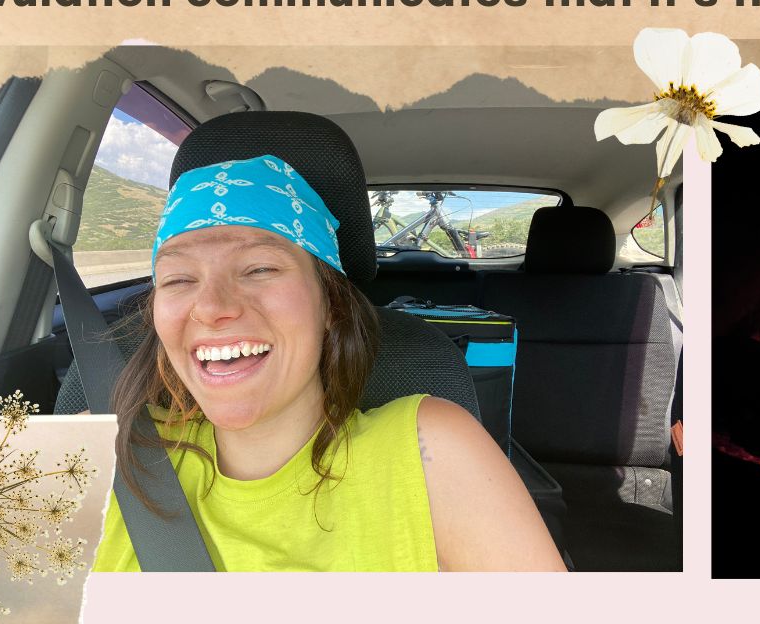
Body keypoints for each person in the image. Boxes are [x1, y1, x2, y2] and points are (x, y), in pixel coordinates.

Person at [92, 154, 565, 572]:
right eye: (177, 279)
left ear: (331, 305)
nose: (212, 307)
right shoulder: (98, 456)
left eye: (260, 268)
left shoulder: (431, 451)